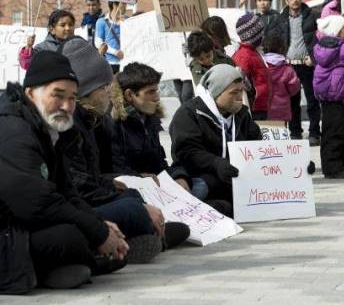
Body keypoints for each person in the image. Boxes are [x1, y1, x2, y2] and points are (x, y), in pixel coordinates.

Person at [0, 51, 128, 289]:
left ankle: (71, 265)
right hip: (10, 230)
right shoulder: (13, 130)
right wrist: (96, 232)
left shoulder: (48, 129)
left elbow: (67, 193)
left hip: (21, 224)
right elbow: (36, 203)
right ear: (31, 93)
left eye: (72, 98)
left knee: (86, 230)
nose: (66, 106)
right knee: (69, 238)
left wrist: (99, 224)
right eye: (57, 96)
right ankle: (62, 267)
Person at [59, 38, 189, 262]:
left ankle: (129, 240)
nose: (111, 92)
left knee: (135, 199)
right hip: (73, 209)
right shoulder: (75, 125)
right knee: (133, 208)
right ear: (89, 90)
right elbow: (78, 187)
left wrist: (113, 184)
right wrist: (130, 193)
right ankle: (132, 240)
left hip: (91, 199)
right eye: (105, 87)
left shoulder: (90, 121)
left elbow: (90, 178)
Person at [169, 64, 263, 217]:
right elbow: (186, 152)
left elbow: (258, 146)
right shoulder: (189, 113)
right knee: (202, 186)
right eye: (234, 92)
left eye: (241, 91)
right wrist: (216, 163)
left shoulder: (242, 115)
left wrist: (292, 164)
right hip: (202, 176)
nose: (240, 97)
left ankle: (218, 207)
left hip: (234, 178)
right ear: (216, 92)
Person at [110, 62, 199, 197]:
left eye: (156, 90)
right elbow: (116, 171)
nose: (157, 98)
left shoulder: (150, 119)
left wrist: (179, 177)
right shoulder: (114, 124)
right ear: (129, 95)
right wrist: (141, 178)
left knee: (200, 183)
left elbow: (160, 163)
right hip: (132, 192)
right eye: (150, 92)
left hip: (157, 186)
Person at [268, 0, 321, 144]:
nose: (295, 0)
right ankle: (295, 132)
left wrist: (313, 57)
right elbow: (273, 39)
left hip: (308, 65)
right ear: (286, 0)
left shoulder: (312, 15)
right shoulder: (280, 19)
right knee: (293, 101)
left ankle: (314, 133)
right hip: (289, 66)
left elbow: (319, 39)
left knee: (312, 100)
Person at [313, 15, 344, 179]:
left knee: (331, 130)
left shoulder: (325, 46)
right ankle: (335, 167)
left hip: (329, 94)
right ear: (338, 31)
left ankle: (336, 164)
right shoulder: (342, 46)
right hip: (336, 94)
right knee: (337, 131)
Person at [232, 12, 271, 120]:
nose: (263, 36)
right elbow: (238, 79)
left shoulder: (253, 52)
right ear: (254, 35)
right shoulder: (244, 56)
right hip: (253, 107)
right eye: (261, 33)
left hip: (260, 104)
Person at [262, 34, 301, 122]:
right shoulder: (287, 69)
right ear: (281, 49)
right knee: (280, 134)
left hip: (264, 109)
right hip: (282, 110)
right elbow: (294, 88)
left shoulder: (260, 66)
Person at [95, 1, 126, 74]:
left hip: (125, 62)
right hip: (111, 63)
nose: (126, 7)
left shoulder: (127, 20)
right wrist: (115, 52)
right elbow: (98, 43)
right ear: (115, 5)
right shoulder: (102, 21)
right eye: (124, 4)